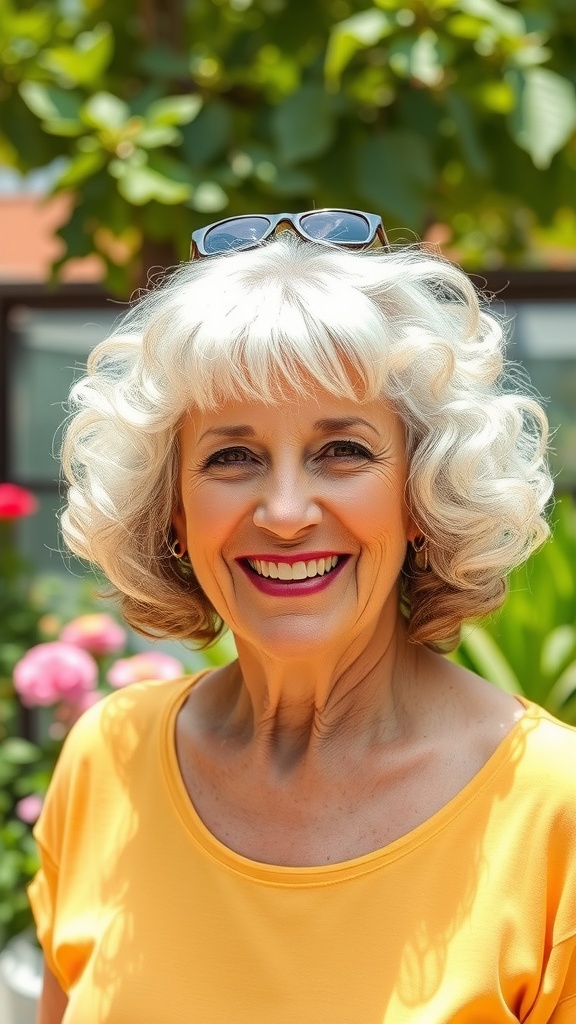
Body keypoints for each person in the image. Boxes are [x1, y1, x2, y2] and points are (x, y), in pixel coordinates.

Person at [30, 210, 576, 1024]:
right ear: (174, 510)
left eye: (342, 451)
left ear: (420, 492)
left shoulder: (554, 807)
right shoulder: (109, 758)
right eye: (232, 456)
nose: (285, 513)